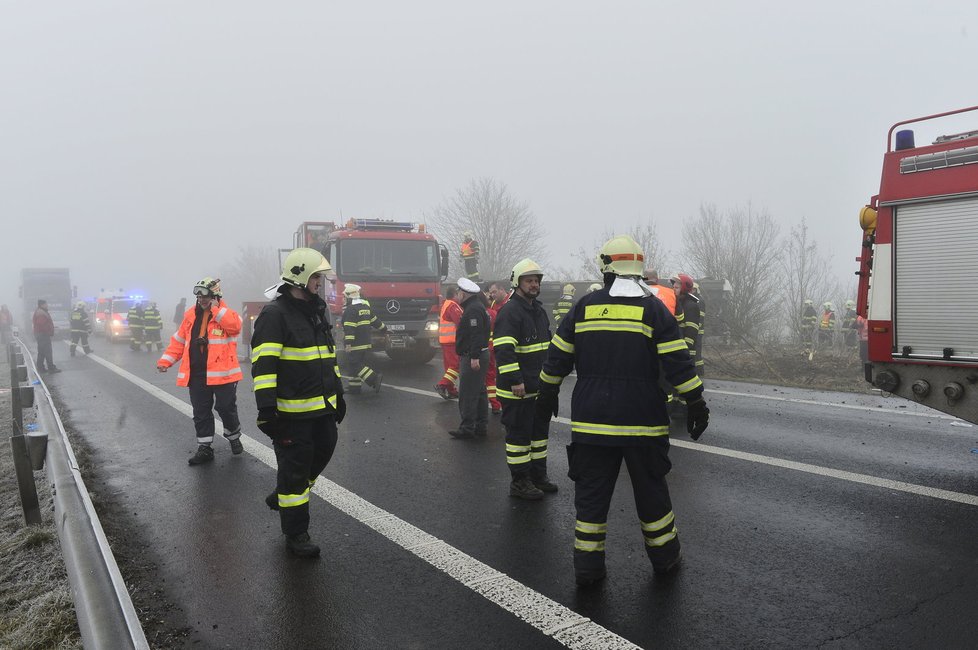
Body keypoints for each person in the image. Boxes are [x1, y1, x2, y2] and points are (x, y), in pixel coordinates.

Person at [537, 235, 709, 587]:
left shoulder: (583, 307)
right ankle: (665, 559)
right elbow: (678, 363)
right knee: (652, 495)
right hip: (643, 424)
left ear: (606, 267)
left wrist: (546, 391)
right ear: (639, 270)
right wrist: (696, 401)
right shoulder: (654, 310)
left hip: (591, 424)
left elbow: (557, 357)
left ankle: (588, 570)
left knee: (591, 500)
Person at [251, 248, 345, 558]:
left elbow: (328, 356)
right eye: (317, 276)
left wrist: (339, 392)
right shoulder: (274, 315)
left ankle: (285, 493)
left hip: (322, 408)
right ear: (301, 277)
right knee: (294, 470)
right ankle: (296, 533)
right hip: (291, 414)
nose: (321, 282)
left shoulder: (317, 311)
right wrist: (267, 410)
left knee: (325, 449)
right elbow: (264, 366)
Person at [157, 278, 244, 465]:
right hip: (197, 374)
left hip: (223, 375)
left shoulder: (226, 314)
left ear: (215, 296)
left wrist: (216, 310)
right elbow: (178, 342)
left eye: (205, 296)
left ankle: (233, 436)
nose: (201, 300)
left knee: (225, 408)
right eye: (198, 296)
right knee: (201, 411)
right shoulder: (190, 316)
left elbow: (235, 327)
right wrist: (166, 361)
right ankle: (205, 448)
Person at [492, 259, 555, 499]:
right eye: (529, 280)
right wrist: (516, 380)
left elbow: (546, 347)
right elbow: (505, 350)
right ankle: (519, 483)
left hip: (537, 388)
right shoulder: (510, 311)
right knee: (519, 438)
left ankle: (538, 477)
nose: (534, 284)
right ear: (517, 283)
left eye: (536, 281)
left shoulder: (538, 311)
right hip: (517, 389)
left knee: (539, 436)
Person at [449, 278, 490, 439]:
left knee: (467, 394)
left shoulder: (472, 310)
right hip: (480, 353)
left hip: (473, 355)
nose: (457, 295)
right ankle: (480, 426)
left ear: (464, 294)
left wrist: (474, 357)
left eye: (459, 292)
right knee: (479, 392)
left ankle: (467, 428)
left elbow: (476, 334)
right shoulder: (477, 307)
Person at [341, 284, 386, 393]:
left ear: (349, 297)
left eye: (344, 297)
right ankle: (354, 387)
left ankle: (374, 378)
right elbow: (375, 321)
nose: (343, 300)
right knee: (355, 364)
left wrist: (348, 343)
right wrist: (384, 329)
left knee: (354, 364)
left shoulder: (350, 310)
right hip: (365, 342)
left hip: (355, 343)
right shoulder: (365, 307)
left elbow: (349, 328)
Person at [485, 281, 510, 415]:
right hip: (494, 345)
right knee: (494, 375)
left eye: (494, 292)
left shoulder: (511, 302)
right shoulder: (493, 305)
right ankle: (498, 402)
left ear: (502, 290)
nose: (492, 295)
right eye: (491, 293)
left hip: (507, 344)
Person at [672, 273, 704, 376]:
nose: (673, 289)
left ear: (684, 289)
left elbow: (691, 332)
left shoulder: (690, 305)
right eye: (673, 287)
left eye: (676, 287)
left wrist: (684, 350)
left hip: (685, 354)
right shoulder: (678, 303)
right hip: (677, 352)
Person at [435, 287, 462, 400]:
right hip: (452, 341)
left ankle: (451, 390)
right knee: (456, 366)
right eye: (459, 294)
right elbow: (460, 322)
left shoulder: (446, 304)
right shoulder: (452, 305)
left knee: (449, 367)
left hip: (445, 341)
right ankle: (442, 385)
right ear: (454, 294)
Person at [33, 299, 60, 373]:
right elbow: (42, 324)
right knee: (48, 351)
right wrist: (48, 332)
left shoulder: (40, 312)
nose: (47, 305)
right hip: (43, 335)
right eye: (46, 304)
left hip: (40, 334)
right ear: (42, 305)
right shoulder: (41, 313)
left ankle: (40, 367)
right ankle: (51, 368)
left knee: (41, 352)